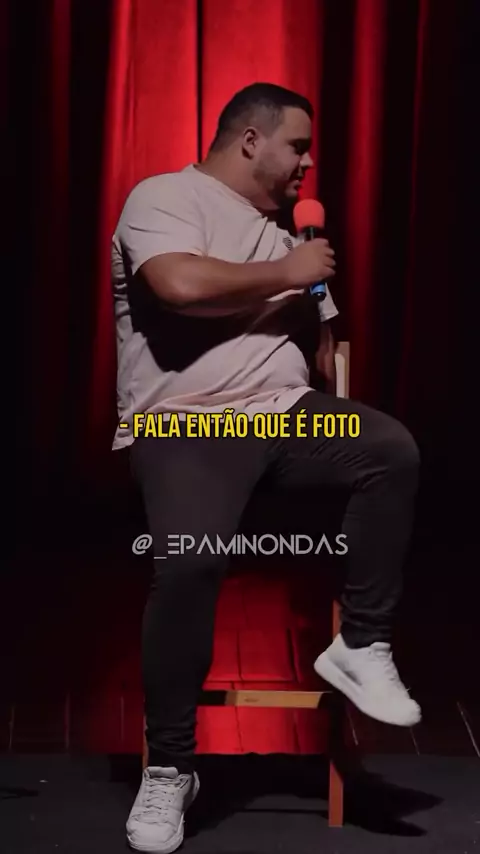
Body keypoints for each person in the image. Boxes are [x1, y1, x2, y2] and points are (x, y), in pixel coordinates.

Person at [111, 82, 421, 853]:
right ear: (251, 140)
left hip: (284, 418)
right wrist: (289, 271)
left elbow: (323, 352)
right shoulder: (164, 198)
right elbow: (178, 285)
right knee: (189, 563)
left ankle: (361, 646)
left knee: (388, 448)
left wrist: (315, 302)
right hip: (187, 426)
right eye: (298, 147)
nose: (307, 165)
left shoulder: (290, 238)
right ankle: (171, 769)